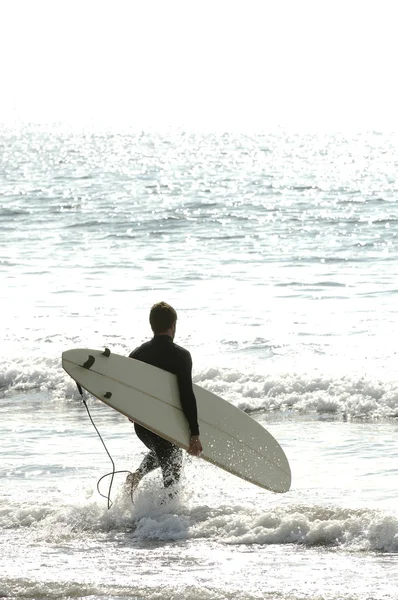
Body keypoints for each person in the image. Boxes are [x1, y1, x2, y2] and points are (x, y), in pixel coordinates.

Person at [126, 301, 203, 498]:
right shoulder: (181, 355)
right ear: (173, 324)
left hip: (143, 425)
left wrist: (130, 410)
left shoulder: (136, 354)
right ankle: (164, 522)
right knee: (172, 475)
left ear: (151, 324)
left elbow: (127, 388)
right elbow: (186, 394)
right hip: (167, 422)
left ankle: (137, 476)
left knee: (163, 452)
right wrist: (194, 433)